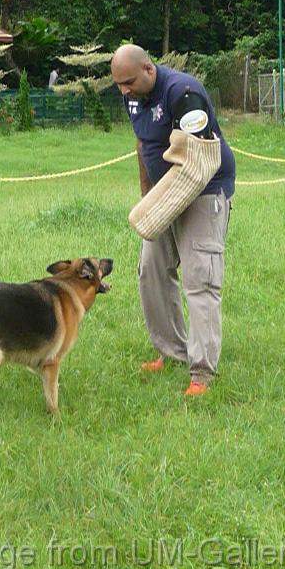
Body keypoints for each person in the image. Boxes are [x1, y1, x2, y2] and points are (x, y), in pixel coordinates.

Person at [110, 44, 235, 397]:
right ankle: (172, 351)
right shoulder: (133, 95)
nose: (124, 90)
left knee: (200, 278)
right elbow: (142, 144)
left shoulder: (183, 93)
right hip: (164, 192)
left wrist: (167, 207)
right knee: (151, 269)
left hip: (204, 188)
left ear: (149, 69)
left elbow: (199, 161)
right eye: (119, 84)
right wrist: (147, 195)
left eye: (129, 82)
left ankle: (202, 374)